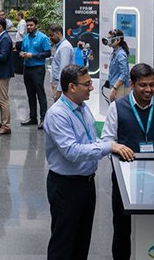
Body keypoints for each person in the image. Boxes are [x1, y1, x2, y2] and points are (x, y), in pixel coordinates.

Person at [44, 64, 135, 260]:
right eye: (86, 84)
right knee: (63, 244)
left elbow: (90, 140)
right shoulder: (58, 114)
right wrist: (109, 146)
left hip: (86, 184)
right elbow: (72, 151)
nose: (91, 88)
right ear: (72, 87)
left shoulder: (82, 108)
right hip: (66, 187)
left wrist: (108, 144)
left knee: (81, 241)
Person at [101, 62, 154, 260]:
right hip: (126, 180)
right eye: (143, 85)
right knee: (122, 230)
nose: (148, 89)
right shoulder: (117, 107)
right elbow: (107, 140)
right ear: (132, 84)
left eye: (152, 85)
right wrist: (117, 149)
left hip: (152, 177)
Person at [20, 16, 51, 129]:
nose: (29, 27)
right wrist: (22, 53)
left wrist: (32, 55)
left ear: (36, 25)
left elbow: (48, 53)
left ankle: (44, 119)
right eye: (27, 25)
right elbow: (23, 49)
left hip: (38, 68)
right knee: (30, 94)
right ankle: (33, 117)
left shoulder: (43, 37)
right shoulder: (26, 38)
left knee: (40, 93)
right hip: (27, 68)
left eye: (31, 25)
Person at [48, 23, 75, 102]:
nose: (50, 38)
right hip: (59, 85)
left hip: (62, 87)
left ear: (58, 33)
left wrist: (59, 91)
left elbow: (63, 70)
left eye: (51, 35)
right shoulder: (61, 46)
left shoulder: (64, 47)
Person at [106, 29, 130, 102]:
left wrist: (115, 88)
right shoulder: (115, 52)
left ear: (118, 40)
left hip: (120, 88)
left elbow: (124, 73)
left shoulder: (121, 54)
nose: (108, 40)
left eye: (110, 38)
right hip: (115, 86)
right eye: (108, 38)